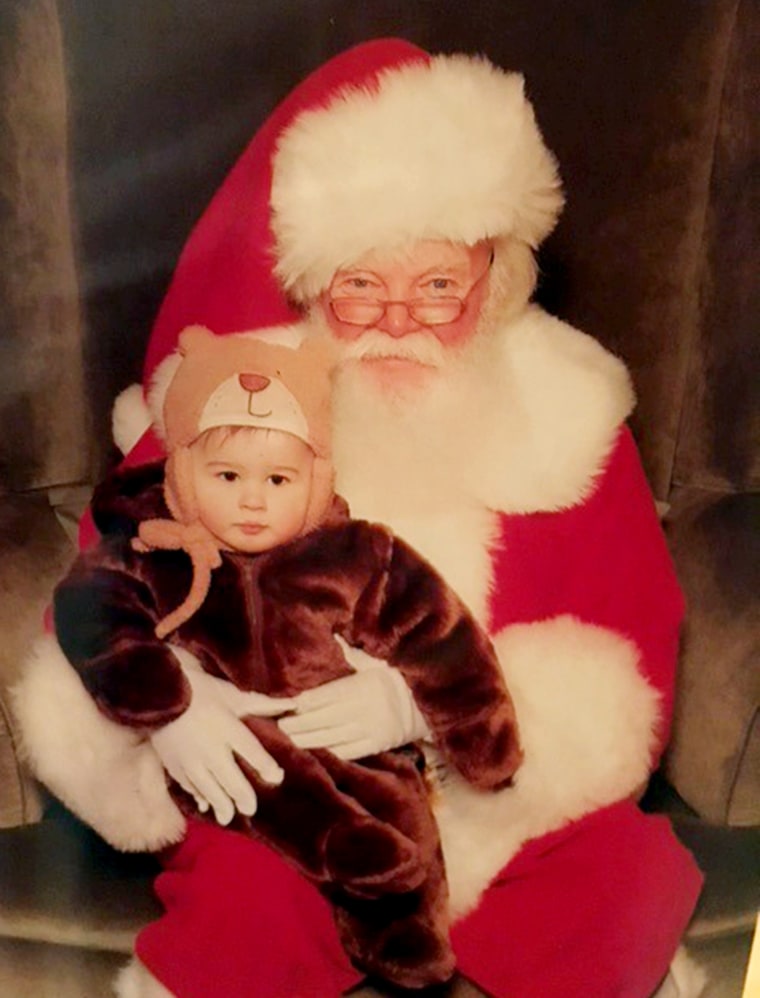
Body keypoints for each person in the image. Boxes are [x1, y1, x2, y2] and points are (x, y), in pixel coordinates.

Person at [14, 38, 704, 998]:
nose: (394, 322)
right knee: (243, 918)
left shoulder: (571, 414)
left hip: (503, 801)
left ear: (491, 281)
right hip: (281, 790)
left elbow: (629, 655)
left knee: (615, 899)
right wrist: (167, 704)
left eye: (435, 289)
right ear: (311, 286)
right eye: (360, 286)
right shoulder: (240, 391)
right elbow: (104, 579)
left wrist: (432, 710)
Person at [50, 325, 521, 990]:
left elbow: (438, 632)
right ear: (182, 471)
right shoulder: (151, 554)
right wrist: (164, 698)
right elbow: (90, 611)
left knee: (402, 810)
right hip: (225, 754)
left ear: (316, 478)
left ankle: (403, 923)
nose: (251, 499)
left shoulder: (356, 552)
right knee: (262, 803)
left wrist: (473, 728)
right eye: (226, 475)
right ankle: (359, 875)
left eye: (277, 478)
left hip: (356, 744)